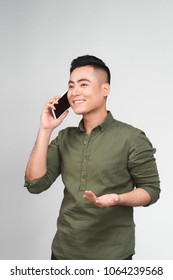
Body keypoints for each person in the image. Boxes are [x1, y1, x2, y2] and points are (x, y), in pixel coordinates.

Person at [24, 55, 160, 260]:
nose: (74, 92)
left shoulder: (132, 138)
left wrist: (118, 198)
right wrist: (45, 130)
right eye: (71, 86)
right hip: (63, 253)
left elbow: (151, 190)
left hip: (112, 255)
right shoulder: (64, 138)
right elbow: (35, 184)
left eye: (83, 84)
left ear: (105, 89)